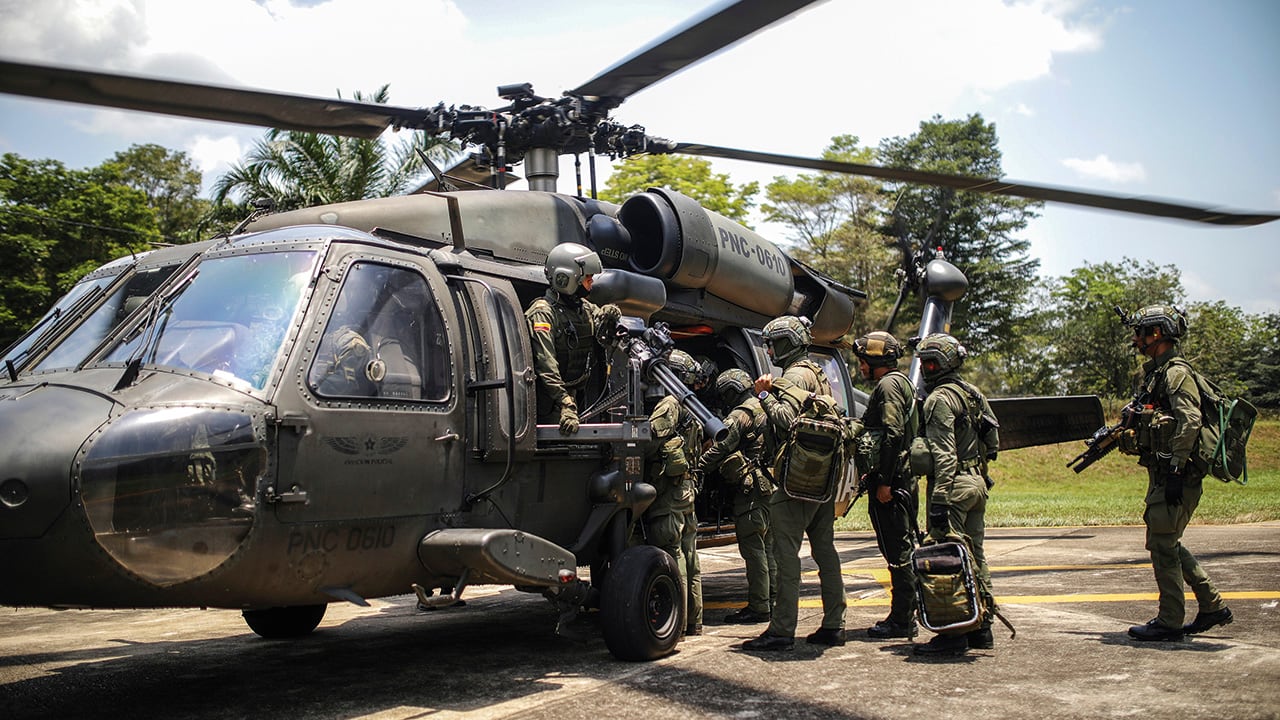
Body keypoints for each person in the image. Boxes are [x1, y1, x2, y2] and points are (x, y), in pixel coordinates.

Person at [1120, 304, 1232, 642]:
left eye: (1141, 332)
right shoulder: (1157, 373)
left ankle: (1170, 621)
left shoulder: (1175, 373)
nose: (1136, 339)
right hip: (1168, 473)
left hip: (1178, 475)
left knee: (1163, 545)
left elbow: (1190, 420)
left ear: (1158, 334)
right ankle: (1212, 606)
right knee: (1165, 541)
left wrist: (1174, 468)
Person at [744, 315, 847, 651]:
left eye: (774, 343)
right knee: (826, 553)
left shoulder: (794, 375)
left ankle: (782, 630)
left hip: (796, 481)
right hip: (821, 480)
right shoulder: (817, 372)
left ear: (788, 342)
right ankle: (834, 623)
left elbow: (789, 420)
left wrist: (764, 396)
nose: (771, 350)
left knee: (785, 555)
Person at [913, 332, 1000, 656]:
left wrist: (939, 500)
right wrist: (980, 475)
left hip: (952, 487)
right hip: (976, 483)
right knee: (975, 555)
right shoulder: (973, 394)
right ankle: (982, 626)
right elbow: (992, 443)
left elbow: (944, 455)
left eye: (929, 362)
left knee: (946, 557)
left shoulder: (938, 400)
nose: (926, 367)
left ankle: (953, 634)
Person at [696, 368, 778, 626]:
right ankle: (773, 600)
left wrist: (697, 467)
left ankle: (759, 606)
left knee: (753, 549)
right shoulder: (766, 406)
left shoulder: (740, 414)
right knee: (768, 548)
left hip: (751, 490)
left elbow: (722, 446)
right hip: (771, 486)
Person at [852, 331, 920, 640]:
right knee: (900, 546)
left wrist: (884, 481)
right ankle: (907, 614)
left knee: (897, 551)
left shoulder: (889, 385)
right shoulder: (902, 382)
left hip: (893, 483)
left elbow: (892, 434)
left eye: (863, 361)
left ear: (875, 360)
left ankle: (902, 619)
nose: (861, 367)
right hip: (901, 478)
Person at [525, 242, 621, 435]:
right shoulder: (543, 313)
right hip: (550, 403)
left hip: (575, 398)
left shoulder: (582, 308)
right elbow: (546, 366)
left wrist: (610, 314)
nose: (591, 283)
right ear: (567, 278)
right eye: (588, 278)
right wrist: (565, 404)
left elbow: (600, 320)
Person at [642, 349, 705, 636]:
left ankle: (676, 621)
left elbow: (650, 441)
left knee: (671, 556)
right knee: (691, 559)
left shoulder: (669, 404)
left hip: (668, 494)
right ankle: (694, 620)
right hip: (687, 492)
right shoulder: (693, 407)